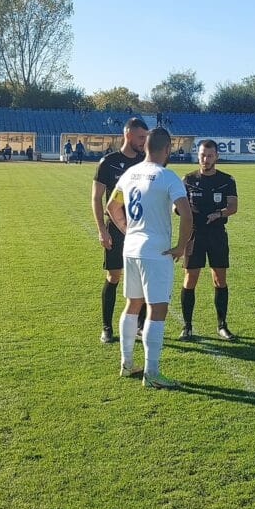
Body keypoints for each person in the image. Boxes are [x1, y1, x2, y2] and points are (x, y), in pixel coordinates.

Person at [105, 127, 193, 389]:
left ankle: (126, 363)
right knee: (156, 309)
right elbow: (187, 214)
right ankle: (152, 372)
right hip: (155, 252)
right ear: (167, 149)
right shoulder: (167, 176)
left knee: (132, 304)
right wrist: (181, 246)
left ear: (145, 147)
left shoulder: (130, 173)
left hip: (131, 249)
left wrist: (127, 230)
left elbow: (111, 206)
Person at [92, 117, 149, 343]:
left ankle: (140, 325)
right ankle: (106, 327)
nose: (144, 141)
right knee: (114, 275)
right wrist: (101, 230)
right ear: (128, 134)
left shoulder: (146, 161)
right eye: (141, 137)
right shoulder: (108, 162)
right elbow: (96, 198)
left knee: (143, 277)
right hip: (116, 228)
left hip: (141, 229)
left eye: (146, 137)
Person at [178, 139, 238, 341]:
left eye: (210, 155)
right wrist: (178, 209)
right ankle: (187, 326)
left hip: (217, 233)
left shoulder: (227, 180)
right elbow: (177, 206)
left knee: (219, 279)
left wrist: (219, 214)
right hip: (194, 234)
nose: (206, 159)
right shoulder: (188, 179)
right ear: (198, 155)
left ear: (216, 157)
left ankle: (222, 325)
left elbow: (233, 207)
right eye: (203, 155)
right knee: (190, 278)